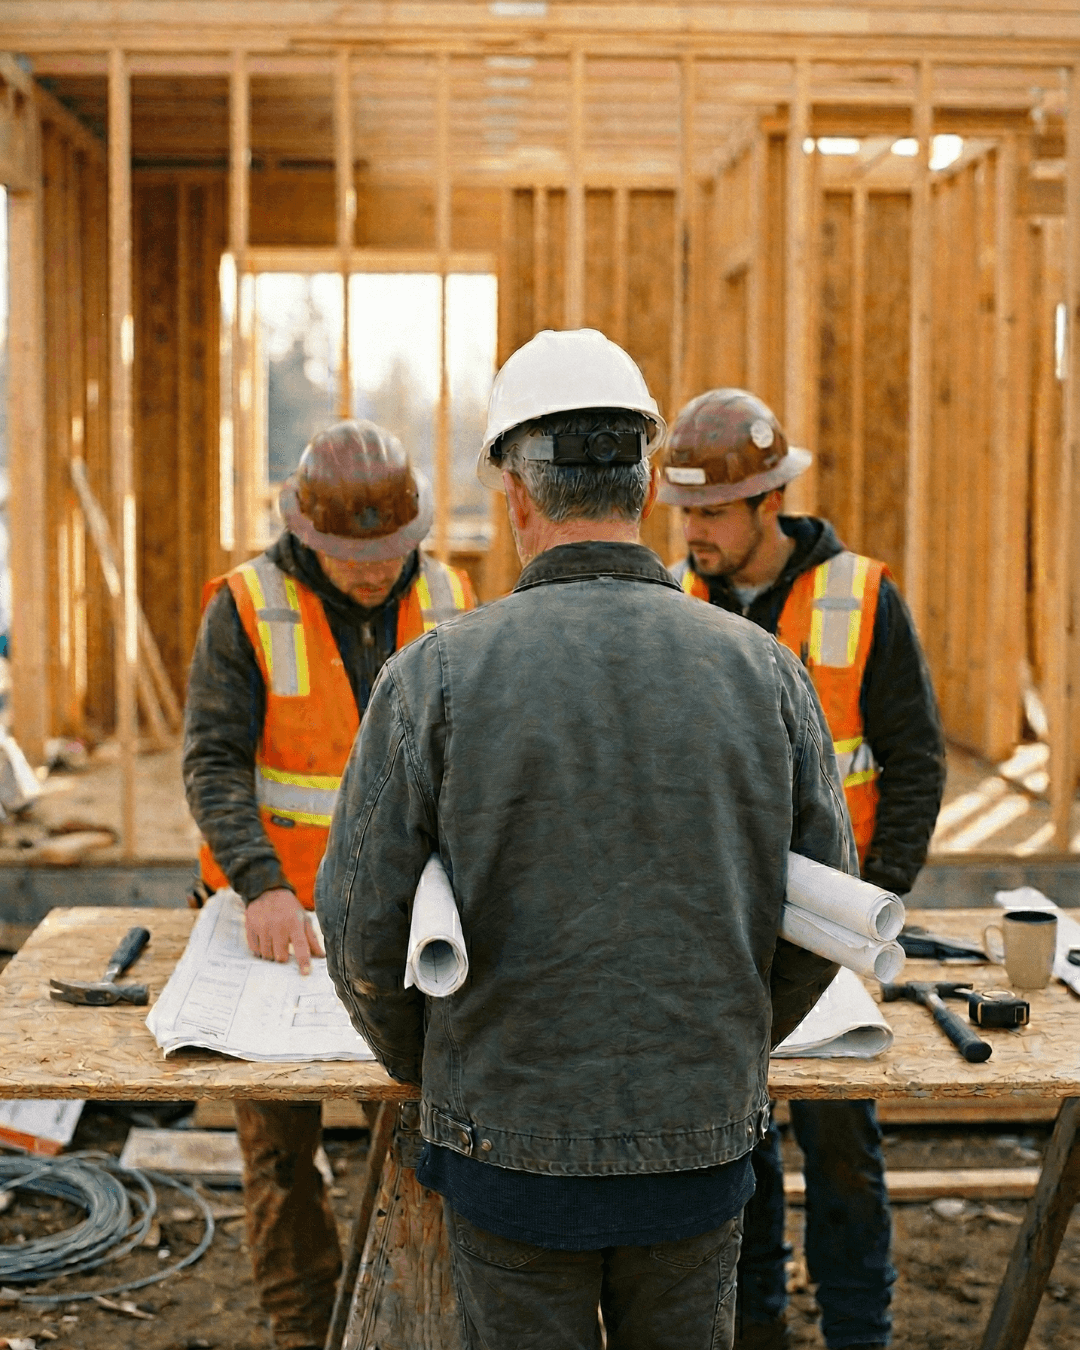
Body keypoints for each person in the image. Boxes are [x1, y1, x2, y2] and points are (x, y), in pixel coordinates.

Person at [317, 329, 856, 1350]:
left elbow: (359, 933)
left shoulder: (434, 677)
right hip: (698, 1154)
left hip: (506, 1156)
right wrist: (725, 1054)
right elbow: (826, 915)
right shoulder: (764, 671)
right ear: (646, 485)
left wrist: (442, 1073)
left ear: (517, 496)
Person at [658, 387, 946, 1350]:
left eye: (711, 512)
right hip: (719, 925)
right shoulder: (673, 602)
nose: (692, 531)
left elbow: (914, 758)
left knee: (842, 1145)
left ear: (768, 502)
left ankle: (860, 1330)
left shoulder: (861, 597)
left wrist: (877, 901)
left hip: (837, 931)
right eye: (684, 511)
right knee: (738, 1144)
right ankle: (759, 1330)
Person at [182, 419, 476, 1350]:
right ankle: (302, 1334)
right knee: (281, 1160)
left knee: (432, 1136)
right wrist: (261, 884)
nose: (373, 570)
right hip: (281, 930)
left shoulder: (450, 596)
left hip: (408, 922)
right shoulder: (246, 607)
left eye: (388, 551)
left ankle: (417, 1326)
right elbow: (212, 762)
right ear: (305, 533)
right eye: (352, 555)